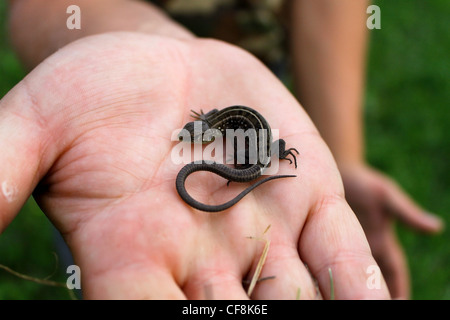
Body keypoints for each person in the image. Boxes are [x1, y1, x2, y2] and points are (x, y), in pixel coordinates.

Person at [1, 0, 441, 299]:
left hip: (256, 63)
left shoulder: (220, 134)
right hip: (235, 104)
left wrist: (342, 158)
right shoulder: (224, 130)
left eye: (194, 134)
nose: (191, 138)